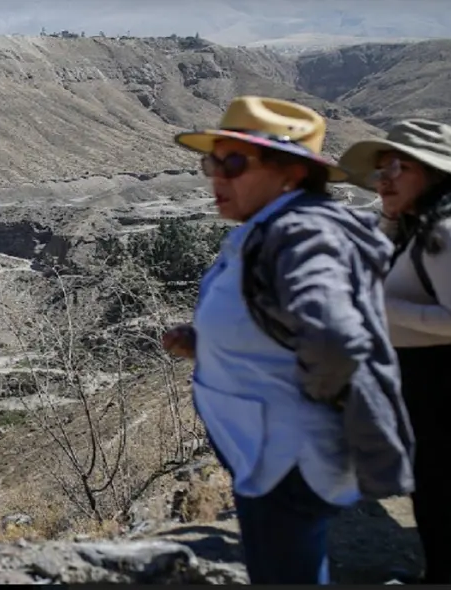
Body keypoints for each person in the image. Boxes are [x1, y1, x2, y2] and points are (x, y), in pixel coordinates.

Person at [162, 96, 415, 585]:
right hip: (268, 451)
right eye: (212, 162)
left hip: (286, 455)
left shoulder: (300, 232)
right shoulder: (275, 225)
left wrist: (316, 395)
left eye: (234, 163)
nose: (217, 177)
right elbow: (279, 322)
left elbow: (334, 337)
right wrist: (206, 343)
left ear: (292, 173)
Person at [339, 120, 451, 584]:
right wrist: (389, 218)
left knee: (439, 488)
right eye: (380, 170)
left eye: (396, 168)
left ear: (432, 171)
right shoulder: (417, 225)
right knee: (430, 484)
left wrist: (385, 306)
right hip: (421, 376)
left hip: (439, 379)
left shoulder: (444, 232)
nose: (382, 180)